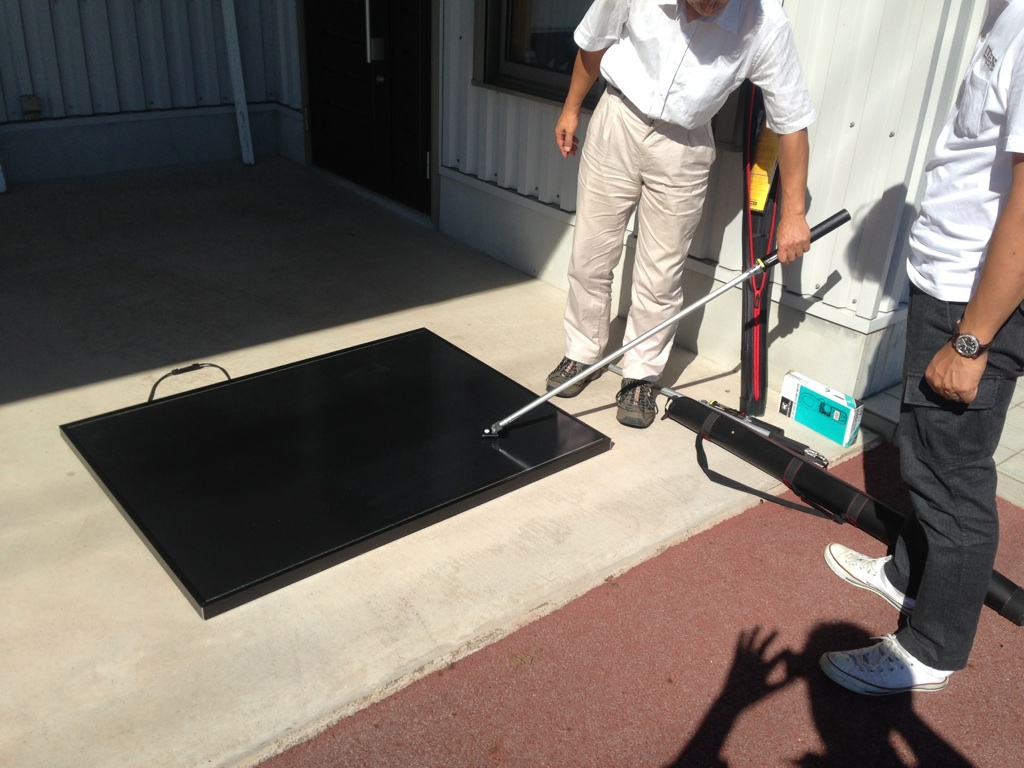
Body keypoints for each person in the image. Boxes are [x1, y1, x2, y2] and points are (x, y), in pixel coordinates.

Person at [820, 0, 1024, 695]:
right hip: (951, 283)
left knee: (953, 474)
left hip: (976, 302)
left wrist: (971, 340)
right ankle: (909, 573)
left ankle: (932, 650)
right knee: (924, 448)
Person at [546, 0, 816, 428]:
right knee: (589, 255)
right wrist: (571, 108)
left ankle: (640, 375)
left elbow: (792, 118)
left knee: (661, 274)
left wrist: (794, 213)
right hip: (618, 117)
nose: (706, 7)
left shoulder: (764, 22)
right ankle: (581, 352)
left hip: (684, 144)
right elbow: (594, 42)